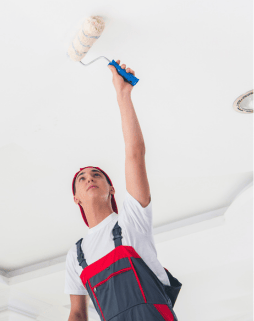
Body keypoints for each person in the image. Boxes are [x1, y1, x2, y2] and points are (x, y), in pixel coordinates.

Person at [64, 61, 181, 321]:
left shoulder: (132, 220)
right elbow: (77, 313)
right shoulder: (77, 255)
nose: (89, 178)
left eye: (97, 174)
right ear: (76, 198)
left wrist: (123, 94)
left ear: (112, 188)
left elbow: (135, 154)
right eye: (81, 178)